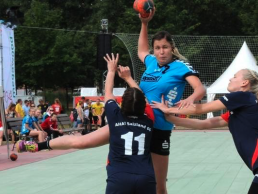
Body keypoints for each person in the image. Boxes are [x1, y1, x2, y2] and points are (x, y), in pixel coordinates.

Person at [16, 53, 156, 194]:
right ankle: (38, 145)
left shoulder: (115, 116)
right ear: (143, 105)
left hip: (119, 177)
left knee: (80, 142)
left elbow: (108, 91)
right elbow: (140, 97)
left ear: (121, 105)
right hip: (145, 177)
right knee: (82, 142)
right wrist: (128, 78)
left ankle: (38, 145)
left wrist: (112, 70)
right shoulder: (149, 118)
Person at [152, 69, 258, 194]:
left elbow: (199, 109)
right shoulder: (242, 108)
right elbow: (205, 123)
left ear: (244, 82)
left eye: (234, 76)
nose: (230, 79)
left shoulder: (242, 96)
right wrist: (171, 119)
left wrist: (168, 109)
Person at [137, 9, 205, 194]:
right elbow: (142, 50)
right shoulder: (151, 62)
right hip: (141, 124)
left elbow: (200, 89)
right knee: (140, 179)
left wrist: (188, 100)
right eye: (158, 48)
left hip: (161, 127)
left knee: (160, 185)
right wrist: (144, 23)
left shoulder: (180, 66)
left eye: (165, 47)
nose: (161, 52)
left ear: (172, 48)